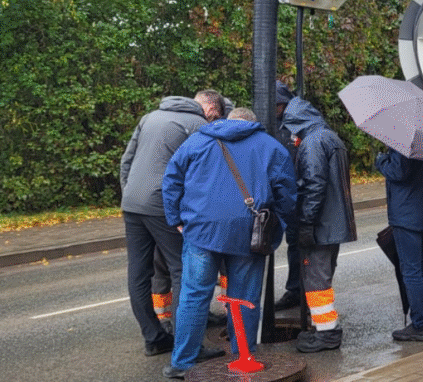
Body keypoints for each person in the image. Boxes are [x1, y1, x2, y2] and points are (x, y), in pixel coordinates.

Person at [161, 107, 296, 380]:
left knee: (194, 296)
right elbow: (287, 193)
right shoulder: (270, 146)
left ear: (227, 121)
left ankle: (182, 362)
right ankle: (243, 355)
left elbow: (171, 180)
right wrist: (276, 225)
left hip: (201, 229)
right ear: (253, 125)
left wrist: (175, 217)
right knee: (245, 297)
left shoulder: (199, 140)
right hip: (249, 233)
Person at [119, 90, 223, 356]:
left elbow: (126, 161)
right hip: (162, 204)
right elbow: (203, 172)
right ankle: (186, 344)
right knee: (183, 270)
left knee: (139, 273)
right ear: (210, 110)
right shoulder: (198, 125)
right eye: (216, 116)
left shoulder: (150, 117)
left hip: (132, 202)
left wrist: (130, 193)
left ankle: (154, 338)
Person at [281, 97, 357, 352]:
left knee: (316, 279)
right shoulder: (329, 137)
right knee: (321, 276)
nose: (290, 135)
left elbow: (314, 185)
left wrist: (305, 223)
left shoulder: (313, 142)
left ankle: (327, 334)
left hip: (321, 225)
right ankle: (324, 328)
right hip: (333, 224)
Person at [376, 149, 423, 342]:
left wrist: (381, 161)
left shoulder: (404, 141)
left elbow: (398, 172)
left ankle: (420, 325)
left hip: (407, 213)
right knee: (421, 267)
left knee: (411, 271)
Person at [273, 81, 303, 311]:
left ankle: (296, 290)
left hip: (292, 194)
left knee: (296, 242)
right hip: (275, 193)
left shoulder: (295, 126)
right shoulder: (271, 125)